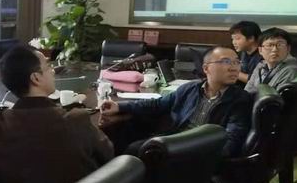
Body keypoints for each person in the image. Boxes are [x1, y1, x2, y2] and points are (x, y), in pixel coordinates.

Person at [0, 45, 114, 183]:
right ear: (36, 78)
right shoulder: (75, 120)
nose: (52, 71)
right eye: (48, 67)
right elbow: (108, 153)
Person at [101, 46, 252, 157]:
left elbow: (231, 141)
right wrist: (119, 106)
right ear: (206, 68)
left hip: (199, 152)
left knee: (137, 152)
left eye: (237, 62)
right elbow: (158, 104)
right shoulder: (190, 88)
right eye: (226, 62)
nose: (234, 68)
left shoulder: (240, 99)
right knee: (129, 148)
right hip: (174, 140)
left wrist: (201, 159)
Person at [244, 27, 297, 94]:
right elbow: (247, 91)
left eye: (280, 45)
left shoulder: (291, 70)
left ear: (288, 49)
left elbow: (279, 98)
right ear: (260, 50)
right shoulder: (261, 65)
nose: (274, 49)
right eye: (269, 45)